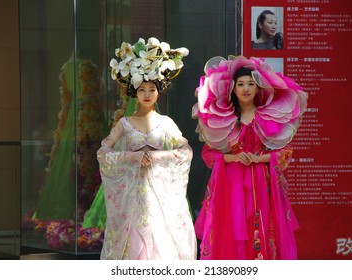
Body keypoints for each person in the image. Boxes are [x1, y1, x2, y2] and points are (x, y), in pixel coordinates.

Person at [192, 56, 308, 260]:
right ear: (233, 89)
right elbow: (208, 154)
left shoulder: (269, 117)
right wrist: (234, 158)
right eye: (241, 84)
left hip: (262, 184)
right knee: (233, 227)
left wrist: (259, 159)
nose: (246, 88)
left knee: (262, 225)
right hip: (231, 184)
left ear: (258, 88)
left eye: (251, 84)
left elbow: (284, 152)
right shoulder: (224, 120)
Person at [97, 37, 197, 260]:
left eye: (152, 89)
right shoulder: (124, 123)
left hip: (160, 195)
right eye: (142, 89)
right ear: (134, 92)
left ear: (159, 91)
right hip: (132, 195)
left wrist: (157, 157)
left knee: (161, 239)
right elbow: (103, 152)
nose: (147, 94)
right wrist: (131, 158)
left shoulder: (167, 123)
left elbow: (186, 151)